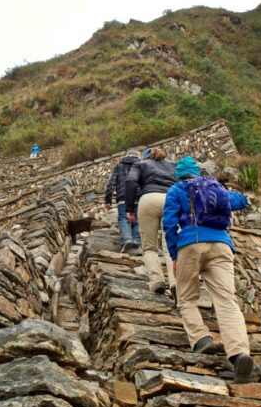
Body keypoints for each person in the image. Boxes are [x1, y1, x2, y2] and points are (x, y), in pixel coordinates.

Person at [163, 156, 253, 384]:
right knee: (226, 301)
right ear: (198, 172)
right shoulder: (215, 187)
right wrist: (243, 198)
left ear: (179, 174)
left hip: (190, 243)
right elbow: (238, 200)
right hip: (222, 245)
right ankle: (239, 354)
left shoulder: (176, 189)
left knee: (186, 297)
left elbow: (170, 224)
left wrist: (174, 255)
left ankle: (202, 339)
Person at [125, 146, 176, 294]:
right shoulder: (173, 165)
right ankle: (175, 283)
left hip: (148, 199)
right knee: (170, 246)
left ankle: (157, 281)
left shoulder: (141, 164)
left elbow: (130, 182)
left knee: (149, 247)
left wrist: (129, 208)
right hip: (171, 199)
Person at [105, 149, 141, 252]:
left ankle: (126, 240)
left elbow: (111, 183)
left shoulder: (119, 166)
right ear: (138, 156)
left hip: (123, 196)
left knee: (123, 218)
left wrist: (108, 200)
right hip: (138, 196)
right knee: (137, 220)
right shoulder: (141, 165)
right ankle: (135, 242)